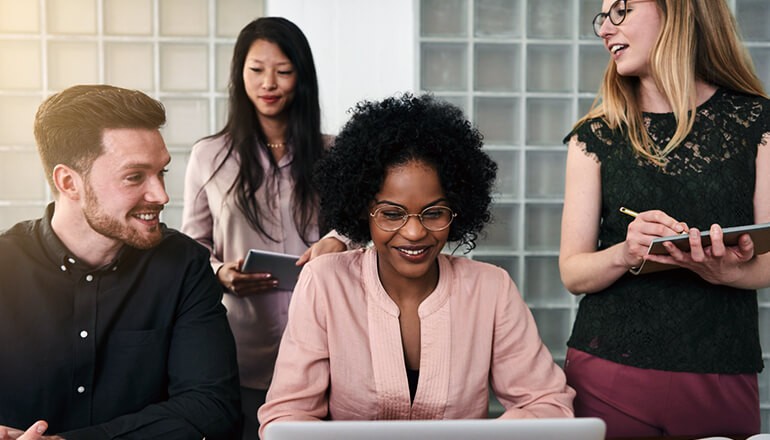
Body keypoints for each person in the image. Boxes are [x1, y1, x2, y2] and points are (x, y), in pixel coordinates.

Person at [257, 93, 575, 437]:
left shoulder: (491, 289)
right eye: (392, 214)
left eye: (434, 213)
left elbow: (549, 406)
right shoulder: (324, 283)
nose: (414, 232)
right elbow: (285, 418)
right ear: (364, 210)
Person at [560, 0, 770, 437]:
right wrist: (625, 253)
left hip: (722, 374)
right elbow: (573, 272)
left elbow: (768, 260)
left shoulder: (759, 123)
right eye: (603, 17)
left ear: (679, 11)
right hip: (607, 374)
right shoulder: (594, 136)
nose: (605, 28)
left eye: (622, 10)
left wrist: (725, 271)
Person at [0, 84, 241, 439]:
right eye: (134, 177)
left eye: (162, 173)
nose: (161, 195)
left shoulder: (184, 264)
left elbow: (212, 408)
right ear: (69, 182)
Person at [181, 16, 345, 439]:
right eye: (256, 70)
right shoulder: (210, 155)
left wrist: (336, 240)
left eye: (283, 71)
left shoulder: (333, 152)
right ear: (240, 74)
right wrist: (220, 272)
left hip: (325, 339)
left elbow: (361, 224)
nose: (268, 83)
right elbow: (191, 243)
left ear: (301, 78)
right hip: (241, 342)